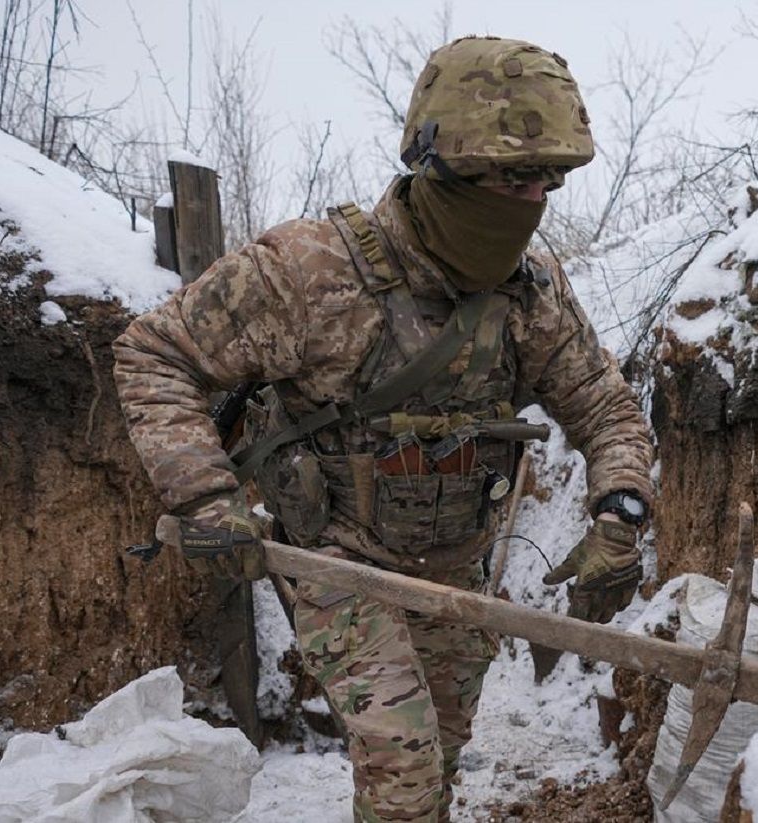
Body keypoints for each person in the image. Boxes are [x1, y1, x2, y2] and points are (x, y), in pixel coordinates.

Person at [113, 35, 654, 822]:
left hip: (457, 571)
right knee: (403, 769)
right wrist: (202, 495)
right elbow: (156, 353)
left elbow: (603, 406)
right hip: (337, 560)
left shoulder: (531, 293)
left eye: (548, 182)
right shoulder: (309, 271)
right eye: (508, 180)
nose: (531, 202)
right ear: (440, 168)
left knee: (439, 762)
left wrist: (621, 506)